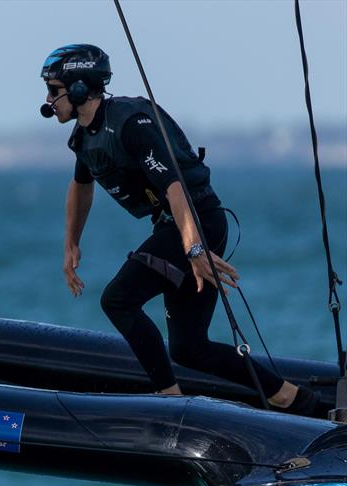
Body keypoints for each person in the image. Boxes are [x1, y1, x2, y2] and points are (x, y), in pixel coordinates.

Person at [40, 43, 317, 414]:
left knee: (118, 299)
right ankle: (291, 397)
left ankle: (169, 400)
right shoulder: (84, 137)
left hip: (197, 221)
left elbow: (175, 187)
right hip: (179, 226)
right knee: (189, 349)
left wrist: (195, 249)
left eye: (53, 89)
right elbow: (81, 184)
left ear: (78, 88)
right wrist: (71, 242)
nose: (47, 99)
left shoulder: (130, 124)